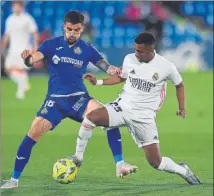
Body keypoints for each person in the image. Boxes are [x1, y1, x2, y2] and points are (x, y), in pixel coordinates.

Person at [0, 10, 137, 189]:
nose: (72, 33)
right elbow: (33, 59)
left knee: (108, 118)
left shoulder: (87, 49)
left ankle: (120, 164)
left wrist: (116, 70)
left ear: (82, 29)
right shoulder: (50, 44)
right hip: (55, 101)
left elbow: (106, 67)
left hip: (79, 98)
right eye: (70, 29)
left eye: (77, 30)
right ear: (64, 27)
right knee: (32, 135)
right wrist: (27, 59)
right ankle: (14, 180)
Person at [71, 32, 201, 185]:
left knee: (156, 162)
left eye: (140, 51)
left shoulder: (166, 66)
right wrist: (98, 82)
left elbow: (179, 85)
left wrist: (182, 107)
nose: (136, 54)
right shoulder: (129, 59)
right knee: (91, 118)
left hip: (144, 116)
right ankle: (78, 158)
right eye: (135, 50)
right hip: (123, 106)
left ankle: (183, 170)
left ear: (151, 50)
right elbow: (121, 77)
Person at [1, 1, 39, 100]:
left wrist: (35, 45)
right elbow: (7, 35)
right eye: (14, 6)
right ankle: (24, 85)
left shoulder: (27, 18)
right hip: (13, 49)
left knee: (21, 70)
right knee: (8, 69)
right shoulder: (10, 19)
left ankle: (20, 91)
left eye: (17, 6)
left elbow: (34, 32)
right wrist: (2, 46)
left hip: (24, 48)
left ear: (21, 7)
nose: (15, 8)